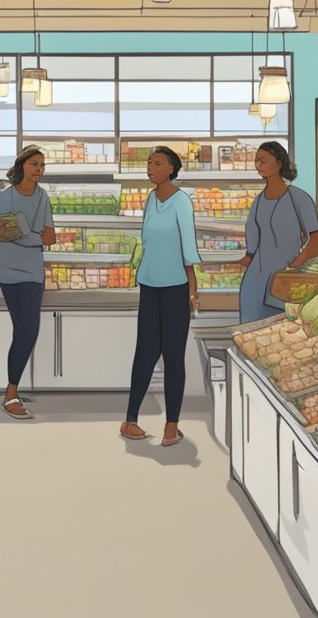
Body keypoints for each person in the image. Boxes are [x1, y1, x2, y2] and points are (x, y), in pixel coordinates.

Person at [120, 147, 200, 447]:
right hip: (150, 285)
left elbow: (188, 248)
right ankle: (130, 420)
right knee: (145, 353)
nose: (150, 168)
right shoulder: (151, 199)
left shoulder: (181, 202)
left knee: (172, 356)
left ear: (171, 169)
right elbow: (147, 239)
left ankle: (171, 425)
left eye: (157, 163)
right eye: (148, 163)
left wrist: (193, 288)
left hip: (176, 286)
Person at [0, 146, 56, 420]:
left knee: (28, 331)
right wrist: (31, 235)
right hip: (7, 272)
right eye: (34, 164)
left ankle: (11, 389)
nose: (38, 170)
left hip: (32, 274)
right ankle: (12, 393)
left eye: (42, 165)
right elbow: (2, 233)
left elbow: (50, 237)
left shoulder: (42, 197)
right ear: (22, 166)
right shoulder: (5, 197)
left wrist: (22, 231)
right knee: (22, 332)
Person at [236, 141, 318, 324]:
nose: (258, 165)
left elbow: (316, 240)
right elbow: (251, 249)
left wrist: (298, 263)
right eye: (256, 160)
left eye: (264, 160)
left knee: (283, 335)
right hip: (255, 284)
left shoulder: (299, 198)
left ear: (279, 163)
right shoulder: (258, 202)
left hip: (286, 281)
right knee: (251, 335)